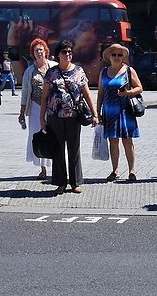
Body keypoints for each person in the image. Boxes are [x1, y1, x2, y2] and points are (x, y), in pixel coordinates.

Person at [43, 40, 95, 194]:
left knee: (74, 149)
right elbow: (45, 97)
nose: (67, 54)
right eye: (64, 52)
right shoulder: (51, 73)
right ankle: (60, 183)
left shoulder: (78, 71)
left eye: (70, 52)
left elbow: (87, 93)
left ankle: (75, 182)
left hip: (74, 116)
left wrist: (95, 114)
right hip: (55, 117)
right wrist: (42, 118)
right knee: (58, 149)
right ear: (58, 55)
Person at [97, 42, 142, 182]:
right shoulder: (103, 72)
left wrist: (128, 92)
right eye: (114, 54)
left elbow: (139, 88)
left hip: (125, 110)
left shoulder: (128, 71)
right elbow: (100, 94)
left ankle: (132, 170)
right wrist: (97, 112)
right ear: (109, 56)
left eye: (119, 55)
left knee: (128, 141)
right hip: (109, 111)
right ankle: (115, 170)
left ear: (123, 57)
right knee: (113, 141)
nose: (117, 57)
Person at [20, 37, 54, 180]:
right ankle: (43, 168)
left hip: (52, 107)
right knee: (38, 135)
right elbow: (25, 92)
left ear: (45, 51)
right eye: (36, 50)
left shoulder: (54, 67)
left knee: (54, 135)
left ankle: (57, 165)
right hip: (35, 107)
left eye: (41, 49)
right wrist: (22, 112)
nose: (39, 52)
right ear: (33, 53)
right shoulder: (29, 71)